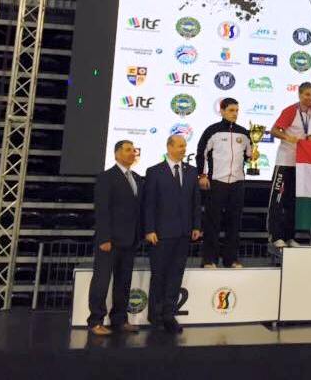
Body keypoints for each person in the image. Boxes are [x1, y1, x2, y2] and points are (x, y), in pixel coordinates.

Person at [143, 135, 202, 333]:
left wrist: (196, 225)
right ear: (169, 147)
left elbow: (195, 201)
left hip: (184, 233)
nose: (183, 149)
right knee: (159, 275)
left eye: (185, 146)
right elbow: (149, 203)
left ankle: (169, 315)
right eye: (180, 146)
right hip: (161, 233)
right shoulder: (154, 172)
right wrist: (149, 229)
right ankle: (155, 315)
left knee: (176, 275)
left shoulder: (191, 171)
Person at [87, 140, 143, 336]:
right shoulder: (106, 177)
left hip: (130, 240)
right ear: (117, 154)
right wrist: (104, 238)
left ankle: (119, 319)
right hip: (109, 241)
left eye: (133, 150)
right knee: (101, 281)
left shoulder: (137, 178)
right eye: (128, 150)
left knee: (123, 282)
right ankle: (95, 321)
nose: (132, 153)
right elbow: (102, 209)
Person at [195, 98, 253, 269]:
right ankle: (209, 259)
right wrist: (202, 175)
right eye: (231, 110)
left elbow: (249, 156)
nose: (235, 114)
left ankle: (231, 259)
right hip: (217, 182)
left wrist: (253, 156)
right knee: (212, 222)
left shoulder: (244, 133)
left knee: (234, 223)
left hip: (237, 182)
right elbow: (201, 153)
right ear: (221, 111)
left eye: (237, 110)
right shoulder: (212, 131)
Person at [268, 82, 311, 249]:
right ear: (299, 94)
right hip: (285, 162)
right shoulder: (291, 111)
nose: (310, 98)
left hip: (300, 164)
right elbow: (274, 130)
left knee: (293, 202)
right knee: (278, 201)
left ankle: (290, 237)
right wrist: (289, 138)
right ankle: (275, 236)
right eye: (307, 94)